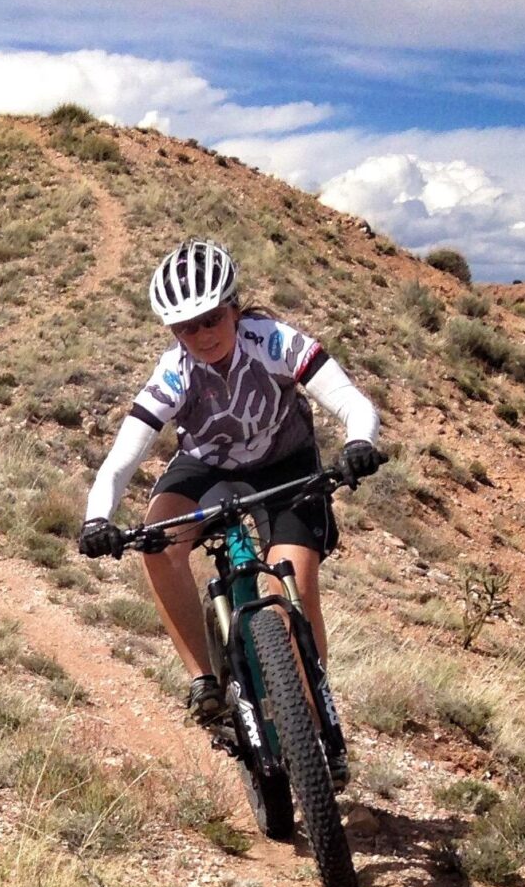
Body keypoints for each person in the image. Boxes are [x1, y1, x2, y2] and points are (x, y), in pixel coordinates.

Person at [79, 238, 383, 726]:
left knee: (296, 585)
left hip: (286, 463)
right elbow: (118, 462)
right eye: (185, 327)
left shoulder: (275, 342)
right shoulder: (173, 375)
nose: (201, 335)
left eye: (212, 319)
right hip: (206, 466)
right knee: (157, 543)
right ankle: (204, 681)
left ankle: (314, 719)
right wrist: (98, 519)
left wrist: (358, 443)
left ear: (234, 309)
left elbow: (351, 400)